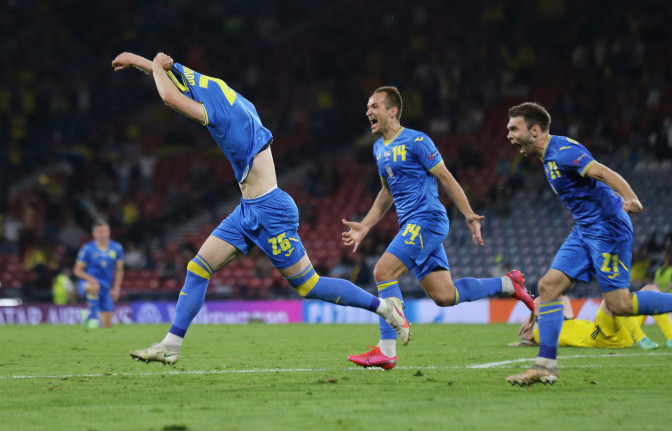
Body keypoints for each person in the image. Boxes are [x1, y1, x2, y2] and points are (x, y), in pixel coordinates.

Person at [112, 52, 410, 365]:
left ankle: (385, 308)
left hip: (270, 210)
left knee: (309, 285)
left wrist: (155, 66)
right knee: (197, 268)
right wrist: (136, 60)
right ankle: (171, 345)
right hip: (247, 209)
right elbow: (175, 74)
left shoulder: (219, 115)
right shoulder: (220, 90)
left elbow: (169, 97)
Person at [503, 102, 672, 386]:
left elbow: (603, 172)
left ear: (534, 130)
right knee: (548, 287)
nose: (509, 135)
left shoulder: (564, 152)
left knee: (619, 304)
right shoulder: (547, 157)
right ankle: (546, 365)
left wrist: (631, 198)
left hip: (607, 229)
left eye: (514, 129)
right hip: (585, 229)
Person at [342, 86, 534, 370]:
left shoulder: (417, 141)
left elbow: (445, 176)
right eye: (368, 107)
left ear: (393, 111)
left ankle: (386, 350)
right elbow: (386, 192)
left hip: (427, 220)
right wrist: (365, 226)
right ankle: (509, 284)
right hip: (412, 224)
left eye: (374, 106)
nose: (368, 111)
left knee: (383, 271)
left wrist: (468, 214)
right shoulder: (378, 148)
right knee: (445, 296)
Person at [512, 289, 672, 349]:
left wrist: (531, 315)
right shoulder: (542, 334)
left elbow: (559, 295)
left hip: (620, 330)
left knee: (651, 289)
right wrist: (532, 319)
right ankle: (641, 338)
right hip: (597, 335)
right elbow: (542, 300)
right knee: (612, 299)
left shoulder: (564, 321)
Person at [73, 219, 124, 329]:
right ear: (94, 234)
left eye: (104, 231)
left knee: (107, 326)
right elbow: (77, 270)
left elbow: (119, 270)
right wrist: (89, 278)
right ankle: (92, 317)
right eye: (99, 232)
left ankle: (87, 315)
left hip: (106, 287)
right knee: (94, 286)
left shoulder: (117, 248)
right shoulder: (87, 249)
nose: (102, 234)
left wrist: (116, 288)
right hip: (87, 284)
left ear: (109, 232)